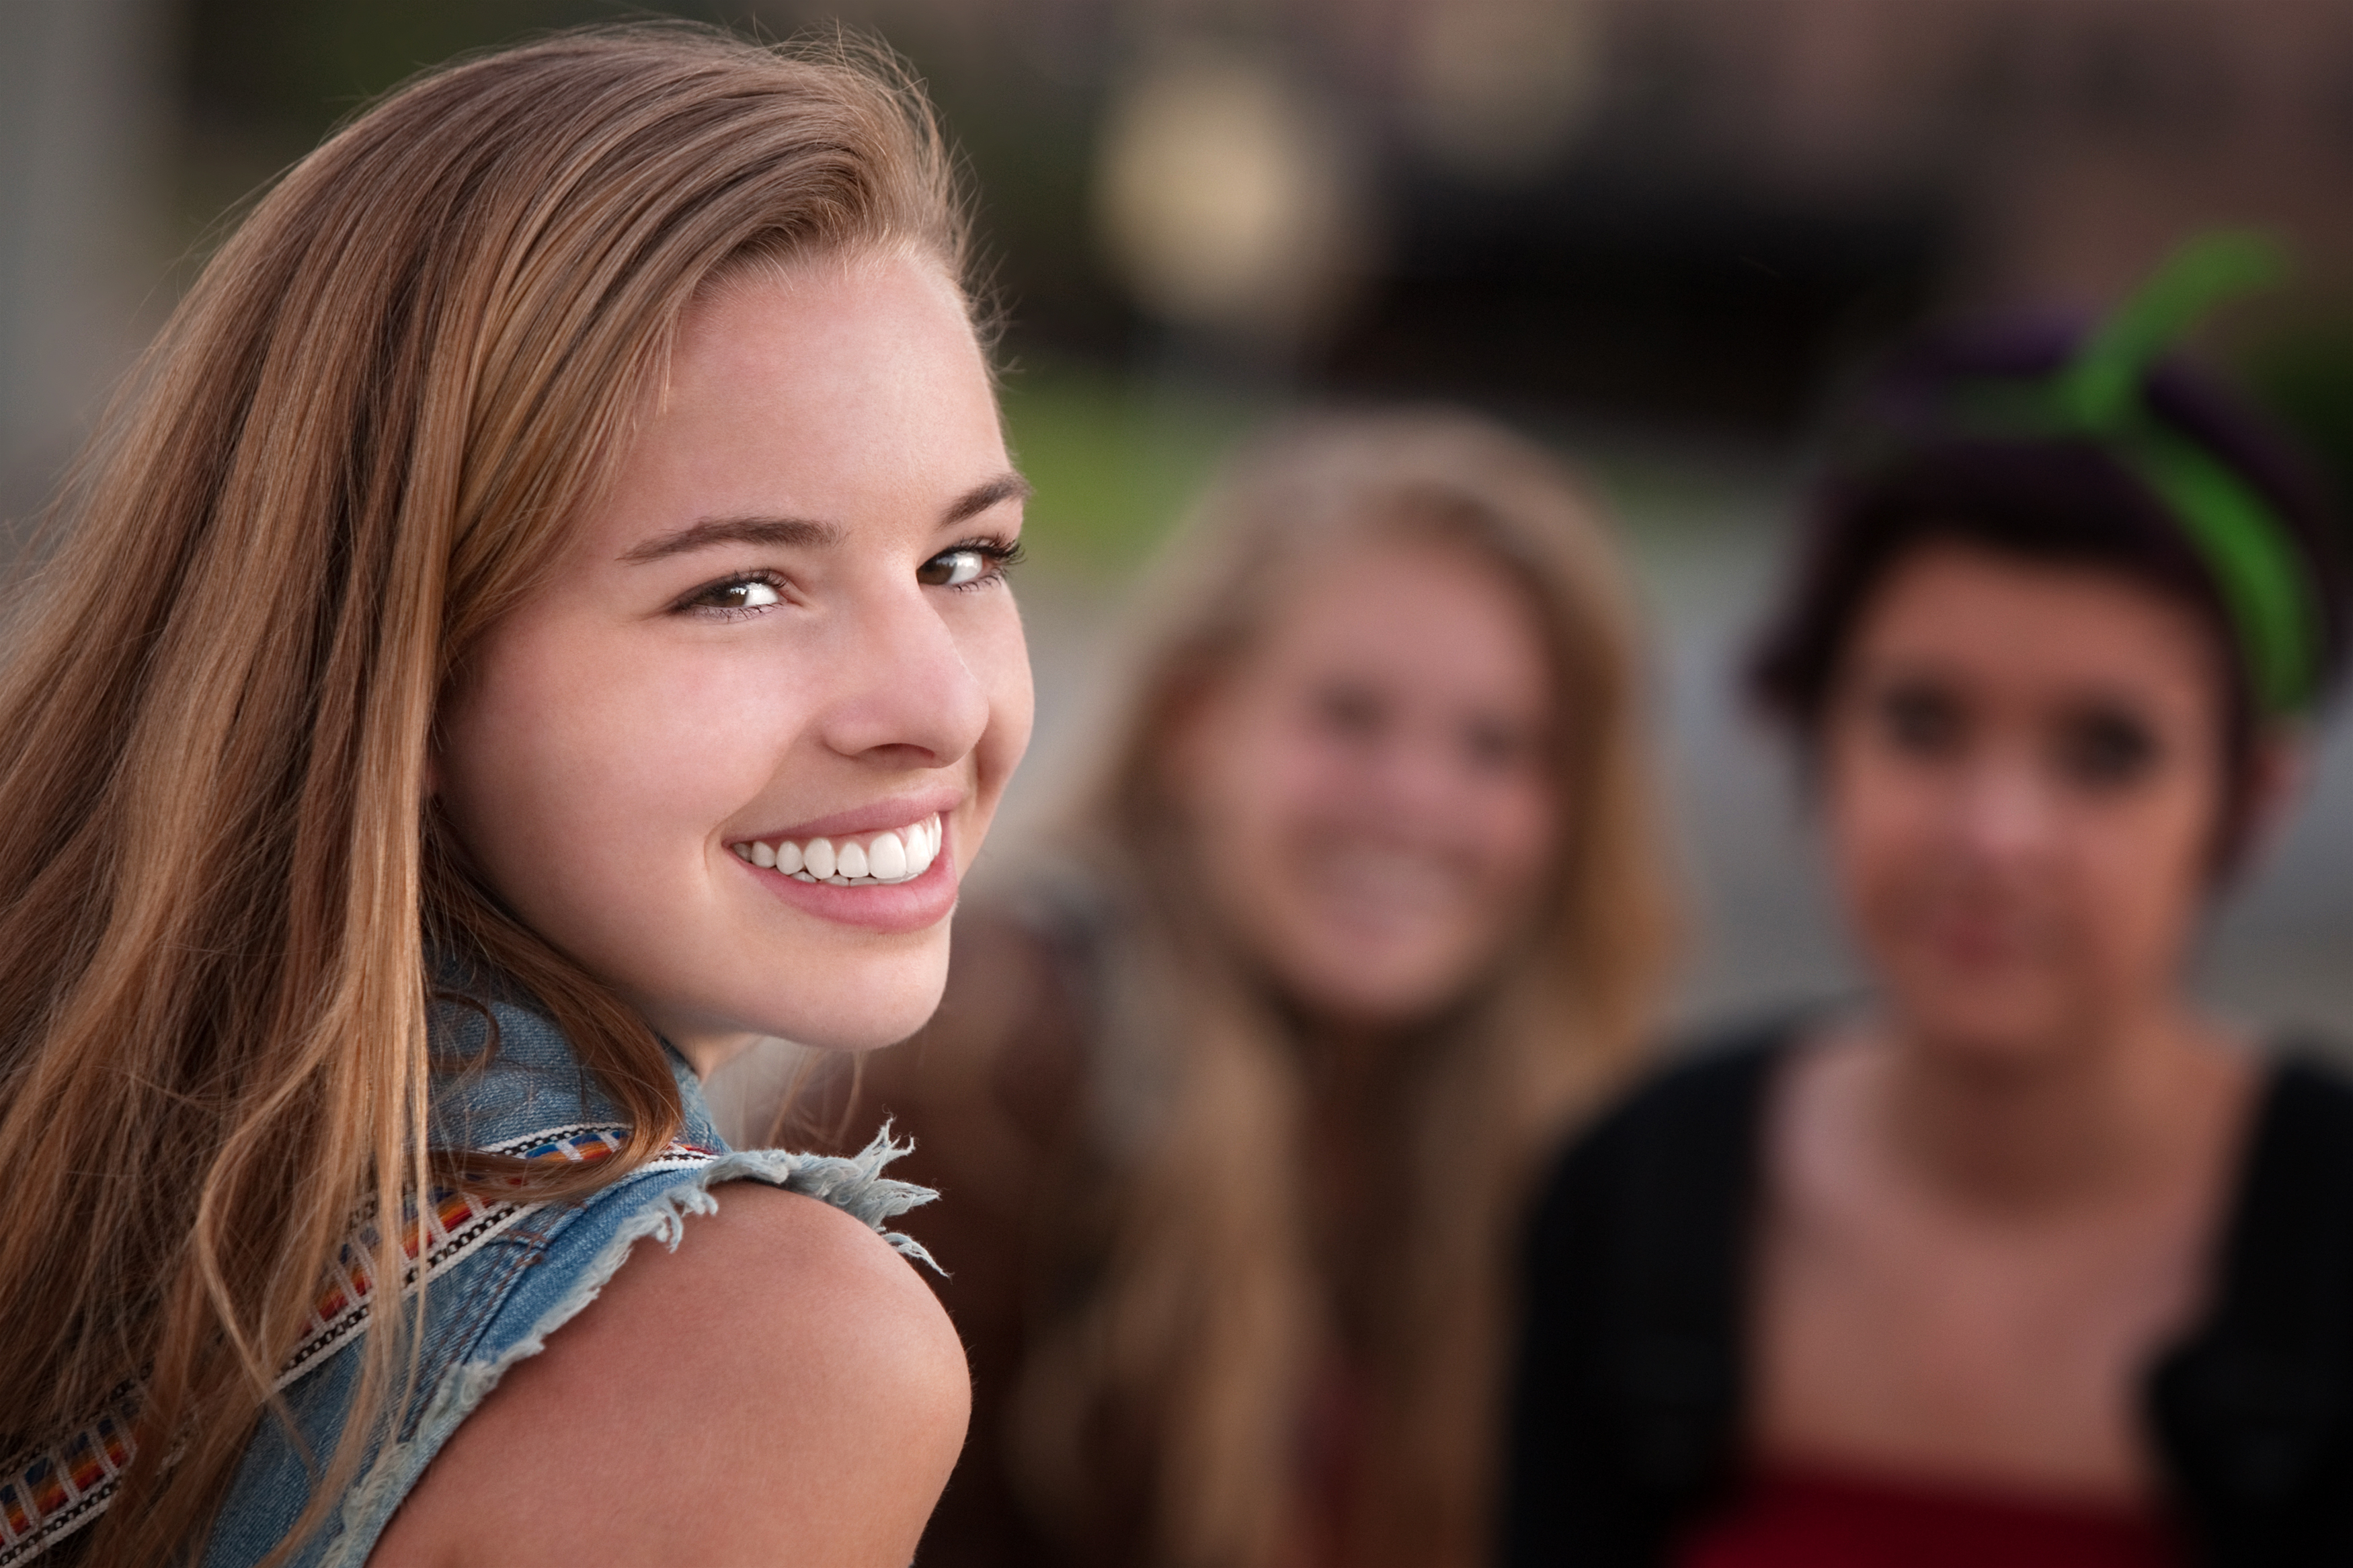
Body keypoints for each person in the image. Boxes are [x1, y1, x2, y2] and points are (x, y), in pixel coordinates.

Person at [0, 27, 1033, 1567]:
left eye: (964, 560)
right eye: (740, 589)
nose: (938, 706)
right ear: (395, 667)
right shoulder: (768, 1355)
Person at [1506, 235, 2353, 1566]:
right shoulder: (1630, 1200)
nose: (1993, 833)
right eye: (1920, 720)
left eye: (2105, 752)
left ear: (2255, 795)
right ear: (1811, 733)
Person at [784, 410, 1679, 1568]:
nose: (1416, 799)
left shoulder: (1557, 1110)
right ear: (1197, 723)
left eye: (1497, 745)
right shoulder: (990, 1050)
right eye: (1349, 716)